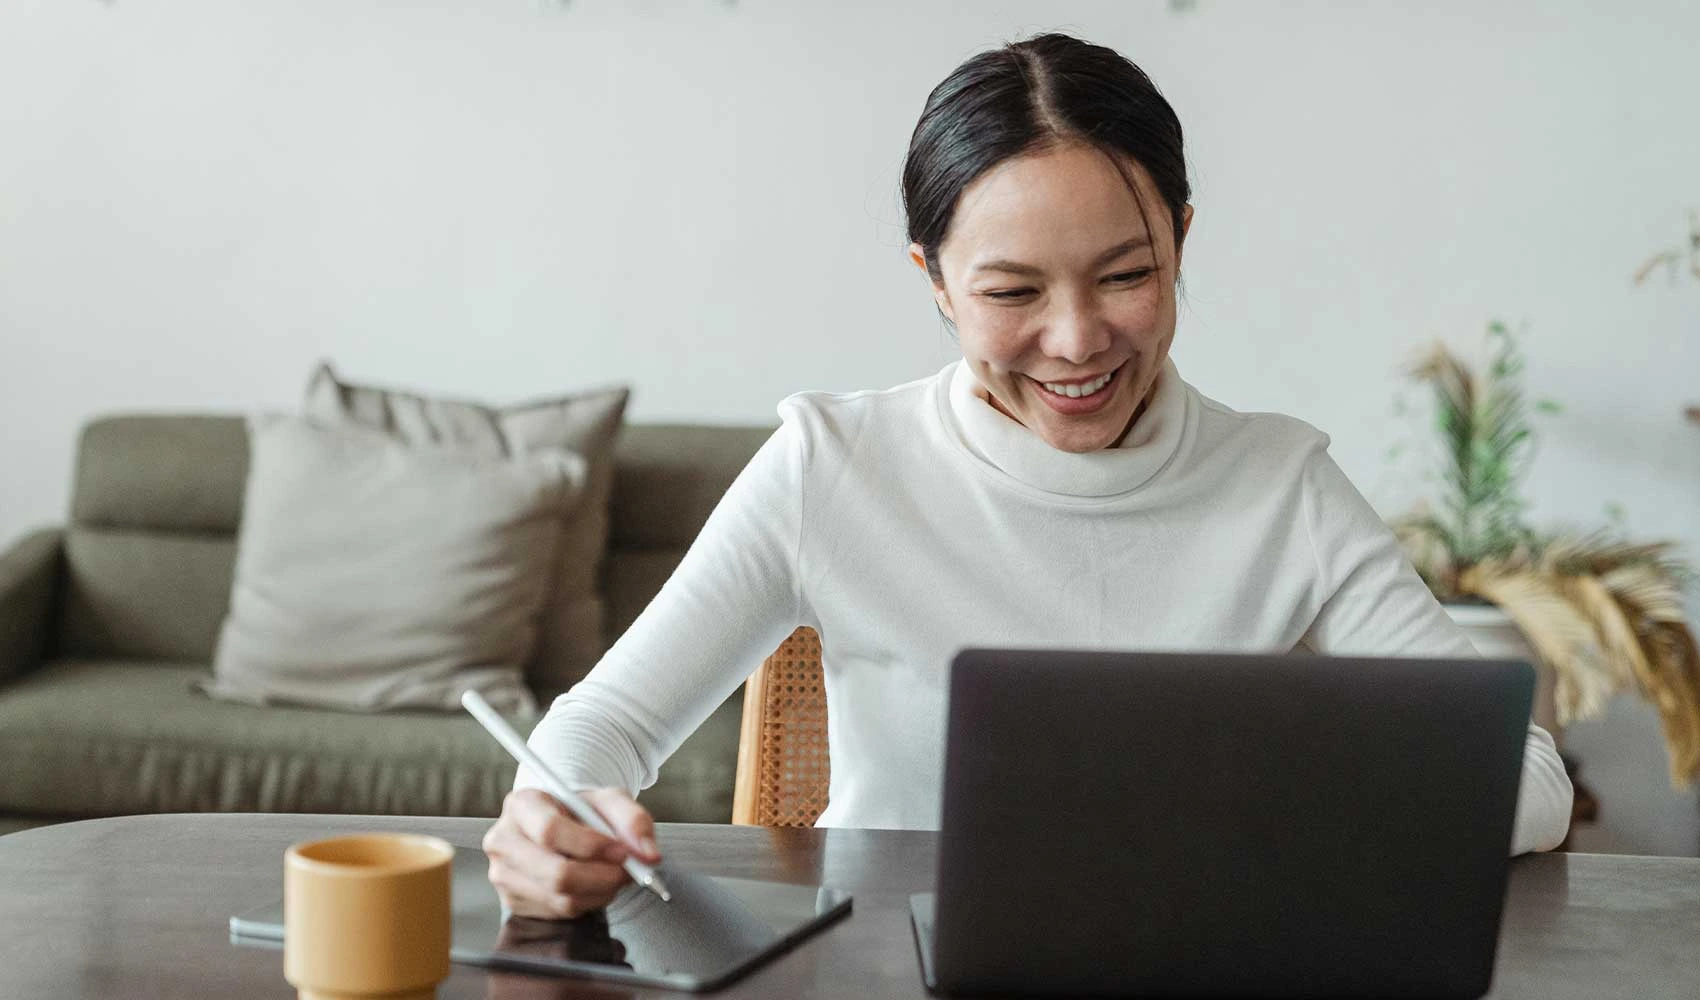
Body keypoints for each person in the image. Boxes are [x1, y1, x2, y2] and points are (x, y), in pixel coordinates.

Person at [482, 31, 1574, 919]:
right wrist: (552, 813)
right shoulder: (833, 466)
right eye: (1010, 293)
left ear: (1180, 243)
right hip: (884, 965)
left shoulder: (1279, 484)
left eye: (1127, 274)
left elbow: (1527, 778)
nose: (1075, 340)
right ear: (936, 283)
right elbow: (599, 726)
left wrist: (1292, 809)